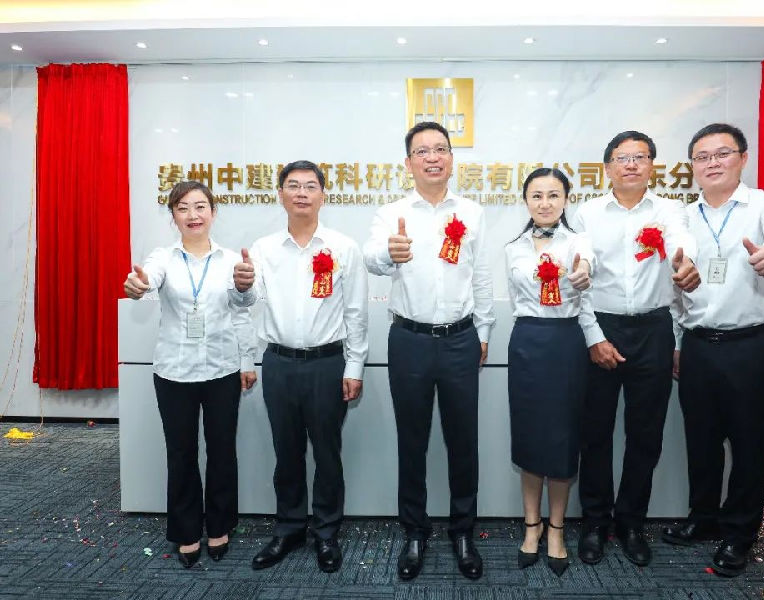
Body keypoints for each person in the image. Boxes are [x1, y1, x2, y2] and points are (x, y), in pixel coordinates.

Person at [663, 123, 764, 577]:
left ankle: (740, 534)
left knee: (749, 446)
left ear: (743, 158)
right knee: (700, 442)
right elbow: (676, 267)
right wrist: (678, 341)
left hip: (751, 348)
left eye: (722, 153)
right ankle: (703, 518)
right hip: (699, 347)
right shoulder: (684, 216)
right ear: (692, 167)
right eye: (702, 157)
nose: (712, 163)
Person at [362, 121, 495, 581]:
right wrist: (390, 252)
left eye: (441, 149)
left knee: (463, 441)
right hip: (409, 341)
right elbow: (371, 258)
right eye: (423, 151)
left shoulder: (473, 212)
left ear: (452, 159)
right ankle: (415, 531)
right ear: (409, 162)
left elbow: (481, 276)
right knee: (412, 440)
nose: (433, 157)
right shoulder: (392, 213)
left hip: (461, 338)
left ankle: (463, 531)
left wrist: (483, 333)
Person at [231, 160, 368, 573]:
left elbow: (356, 311)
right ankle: (289, 527)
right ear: (281, 195)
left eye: (311, 186)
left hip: (328, 364)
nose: (302, 193)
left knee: (327, 453)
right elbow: (246, 304)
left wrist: (355, 365)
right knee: (286, 452)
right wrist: (241, 286)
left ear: (323, 195)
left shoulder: (343, 247)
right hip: (279, 363)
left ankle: (326, 532)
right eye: (293, 185)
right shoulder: (263, 249)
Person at [574, 130, 700, 567]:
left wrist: (685, 260)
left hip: (653, 329)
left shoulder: (669, 210)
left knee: (645, 434)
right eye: (622, 158)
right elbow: (582, 263)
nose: (631, 165)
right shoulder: (588, 212)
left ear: (652, 166)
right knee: (594, 434)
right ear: (607, 167)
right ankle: (595, 522)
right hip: (602, 326)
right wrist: (594, 336)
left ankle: (630, 523)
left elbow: (683, 245)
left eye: (640, 157)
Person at [123, 181, 257, 569]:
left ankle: (219, 526)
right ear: (173, 216)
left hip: (221, 369)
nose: (193, 215)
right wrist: (138, 285)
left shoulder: (231, 259)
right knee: (181, 453)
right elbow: (146, 279)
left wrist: (247, 359)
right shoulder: (163, 258)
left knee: (221, 451)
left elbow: (243, 308)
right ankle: (186, 530)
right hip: (174, 372)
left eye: (200, 207)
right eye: (183, 208)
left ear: (213, 212)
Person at [505, 167, 597, 577]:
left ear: (565, 200)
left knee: (562, 439)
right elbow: (516, 297)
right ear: (526, 201)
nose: (545, 203)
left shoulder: (578, 242)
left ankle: (556, 529)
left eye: (554, 195)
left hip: (565, 343)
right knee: (529, 437)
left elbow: (586, 266)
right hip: (527, 341)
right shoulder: (513, 248)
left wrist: (582, 271)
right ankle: (532, 526)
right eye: (537, 195)